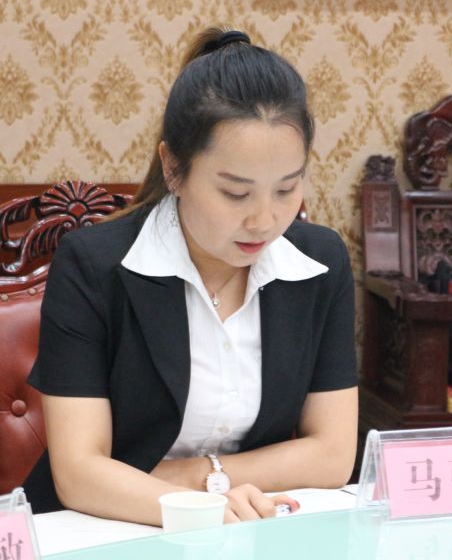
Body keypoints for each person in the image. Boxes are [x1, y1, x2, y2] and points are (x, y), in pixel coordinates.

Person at [25, 27, 358, 526]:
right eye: (235, 193)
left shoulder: (319, 263)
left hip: (249, 526)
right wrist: (205, 509)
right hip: (104, 527)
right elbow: (79, 473)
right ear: (173, 169)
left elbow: (332, 455)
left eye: (287, 189)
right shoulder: (93, 267)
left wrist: (198, 477)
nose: (264, 221)